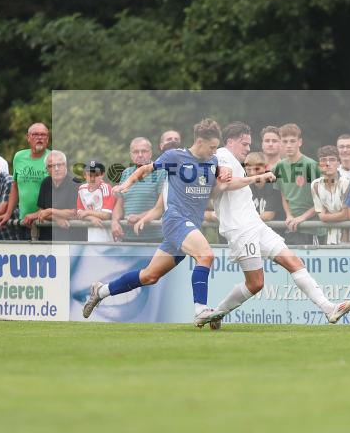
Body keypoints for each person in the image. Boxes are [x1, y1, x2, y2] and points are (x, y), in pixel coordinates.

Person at [83, 119, 243, 326]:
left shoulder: (212, 162)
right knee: (206, 255)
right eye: (212, 147)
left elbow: (211, 194)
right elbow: (144, 169)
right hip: (175, 220)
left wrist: (222, 185)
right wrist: (127, 184)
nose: (214, 152)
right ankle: (200, 309)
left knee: (150, 276)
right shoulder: (175, 156)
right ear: (200, 142)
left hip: (189, 225)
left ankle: (101, 291)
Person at [203, 122, 350, 327]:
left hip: (255, 225)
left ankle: (329, 308)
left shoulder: (233, 160)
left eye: (249, 144)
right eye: (244, 144)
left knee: (294, 262)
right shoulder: (222, 156)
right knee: (256, 283)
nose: (249, 149)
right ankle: (218, 313)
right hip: (240, 229)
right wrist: (258, 177)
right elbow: (223, 186)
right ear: (230, 142)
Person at [274, 123, 322, 245]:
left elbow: (321, 199)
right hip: (290, 227)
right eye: (285, 141)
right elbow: (284, 195)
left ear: (299, 142)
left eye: (292, 141)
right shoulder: (279, 167)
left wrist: (303, 217)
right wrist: (289, 215)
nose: (288, 145)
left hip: (311, 228)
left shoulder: (310, 165)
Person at [111, 137, 165, 243]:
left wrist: (139, 217)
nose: (140, 155)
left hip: (153, 237)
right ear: (131, 155)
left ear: (150, 153)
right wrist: (114, 221)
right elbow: (119, 204)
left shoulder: (161, 172)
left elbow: (161, 208)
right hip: (127, 237)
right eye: (136, 152)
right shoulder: (126, 173)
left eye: (144, 151)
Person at [27, 150, 83, 242]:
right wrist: (56, 218)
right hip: (47, 240)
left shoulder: (76, 183)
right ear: (46, 169)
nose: (56, 168)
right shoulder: (46, 182)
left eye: (59, 164)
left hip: (70, 240)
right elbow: (42, 212)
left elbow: (75, 213)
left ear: (65, 165)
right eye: (51, 166)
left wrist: (50, 210)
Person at [14, 122, 51, 238]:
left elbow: (60, 193)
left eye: (43, 135)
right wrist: (7, 213)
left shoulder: (54, 159)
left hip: (47, 223)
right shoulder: (19, 157)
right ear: (28, 138)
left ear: (48, 138)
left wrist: (36, 215)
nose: (40, 137)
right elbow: (15, 186)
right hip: (24, 221)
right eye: (35, 134)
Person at [310, 145, 350, 245]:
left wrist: (326, 217)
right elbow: (320, 215)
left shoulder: (347, 183)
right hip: (329, 236)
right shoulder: (315, 185)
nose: (327, 164)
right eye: (323, 160)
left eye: (332, 160)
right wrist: (325, 216)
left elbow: (346, 215)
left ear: (339, 163)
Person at [76, 160, 115, 243]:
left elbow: (106, 215)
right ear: (84, 175)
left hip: (107, 235)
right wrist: (91, 218)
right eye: (90, 175)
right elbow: (79, 213)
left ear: (102, 175)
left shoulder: (106, 188)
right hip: (90, 234)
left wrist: (87, 212)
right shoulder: (81, 189)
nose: (93, 178)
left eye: (96, 175)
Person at [244, 151, 283, 221]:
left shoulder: (273, 184)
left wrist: (243, 220)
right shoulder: (247, 186)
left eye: (257, 169)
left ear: (266, 167)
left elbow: (268, 215)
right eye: (248, 169)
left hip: (275, 229)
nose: (252, 173)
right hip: (255, 228)